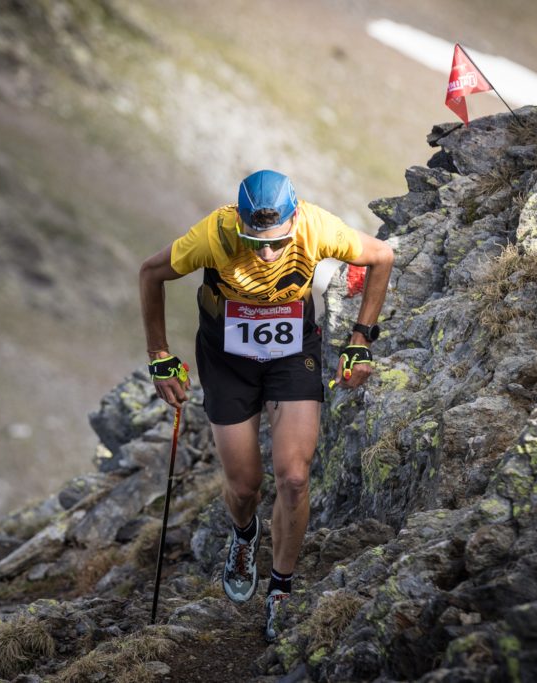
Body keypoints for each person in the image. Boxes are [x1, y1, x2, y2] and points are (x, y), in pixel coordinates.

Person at [139, 170, 393, 641]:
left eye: (277, 242)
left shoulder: (316, 227)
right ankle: (244, 534)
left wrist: (361, 340)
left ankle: (280, 587)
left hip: (292, 353)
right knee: (244, 488)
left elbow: (381, 255)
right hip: (226, 359)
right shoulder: (213, 235)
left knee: (294, 477)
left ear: (295, 220)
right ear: (238, 221)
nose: (268, 253)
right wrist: (159, 354)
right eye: (254, 242)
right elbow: (152, 272)